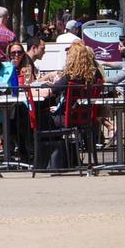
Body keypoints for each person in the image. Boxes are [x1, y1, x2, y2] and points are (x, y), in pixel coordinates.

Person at [35, 42, 103, 171]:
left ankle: (42, 158)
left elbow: (49, 92)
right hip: (85, 118)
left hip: (67, 119)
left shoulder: (70, 77)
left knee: (39, 119)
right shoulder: (94, 77)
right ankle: (60, 157)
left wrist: (34, 89)